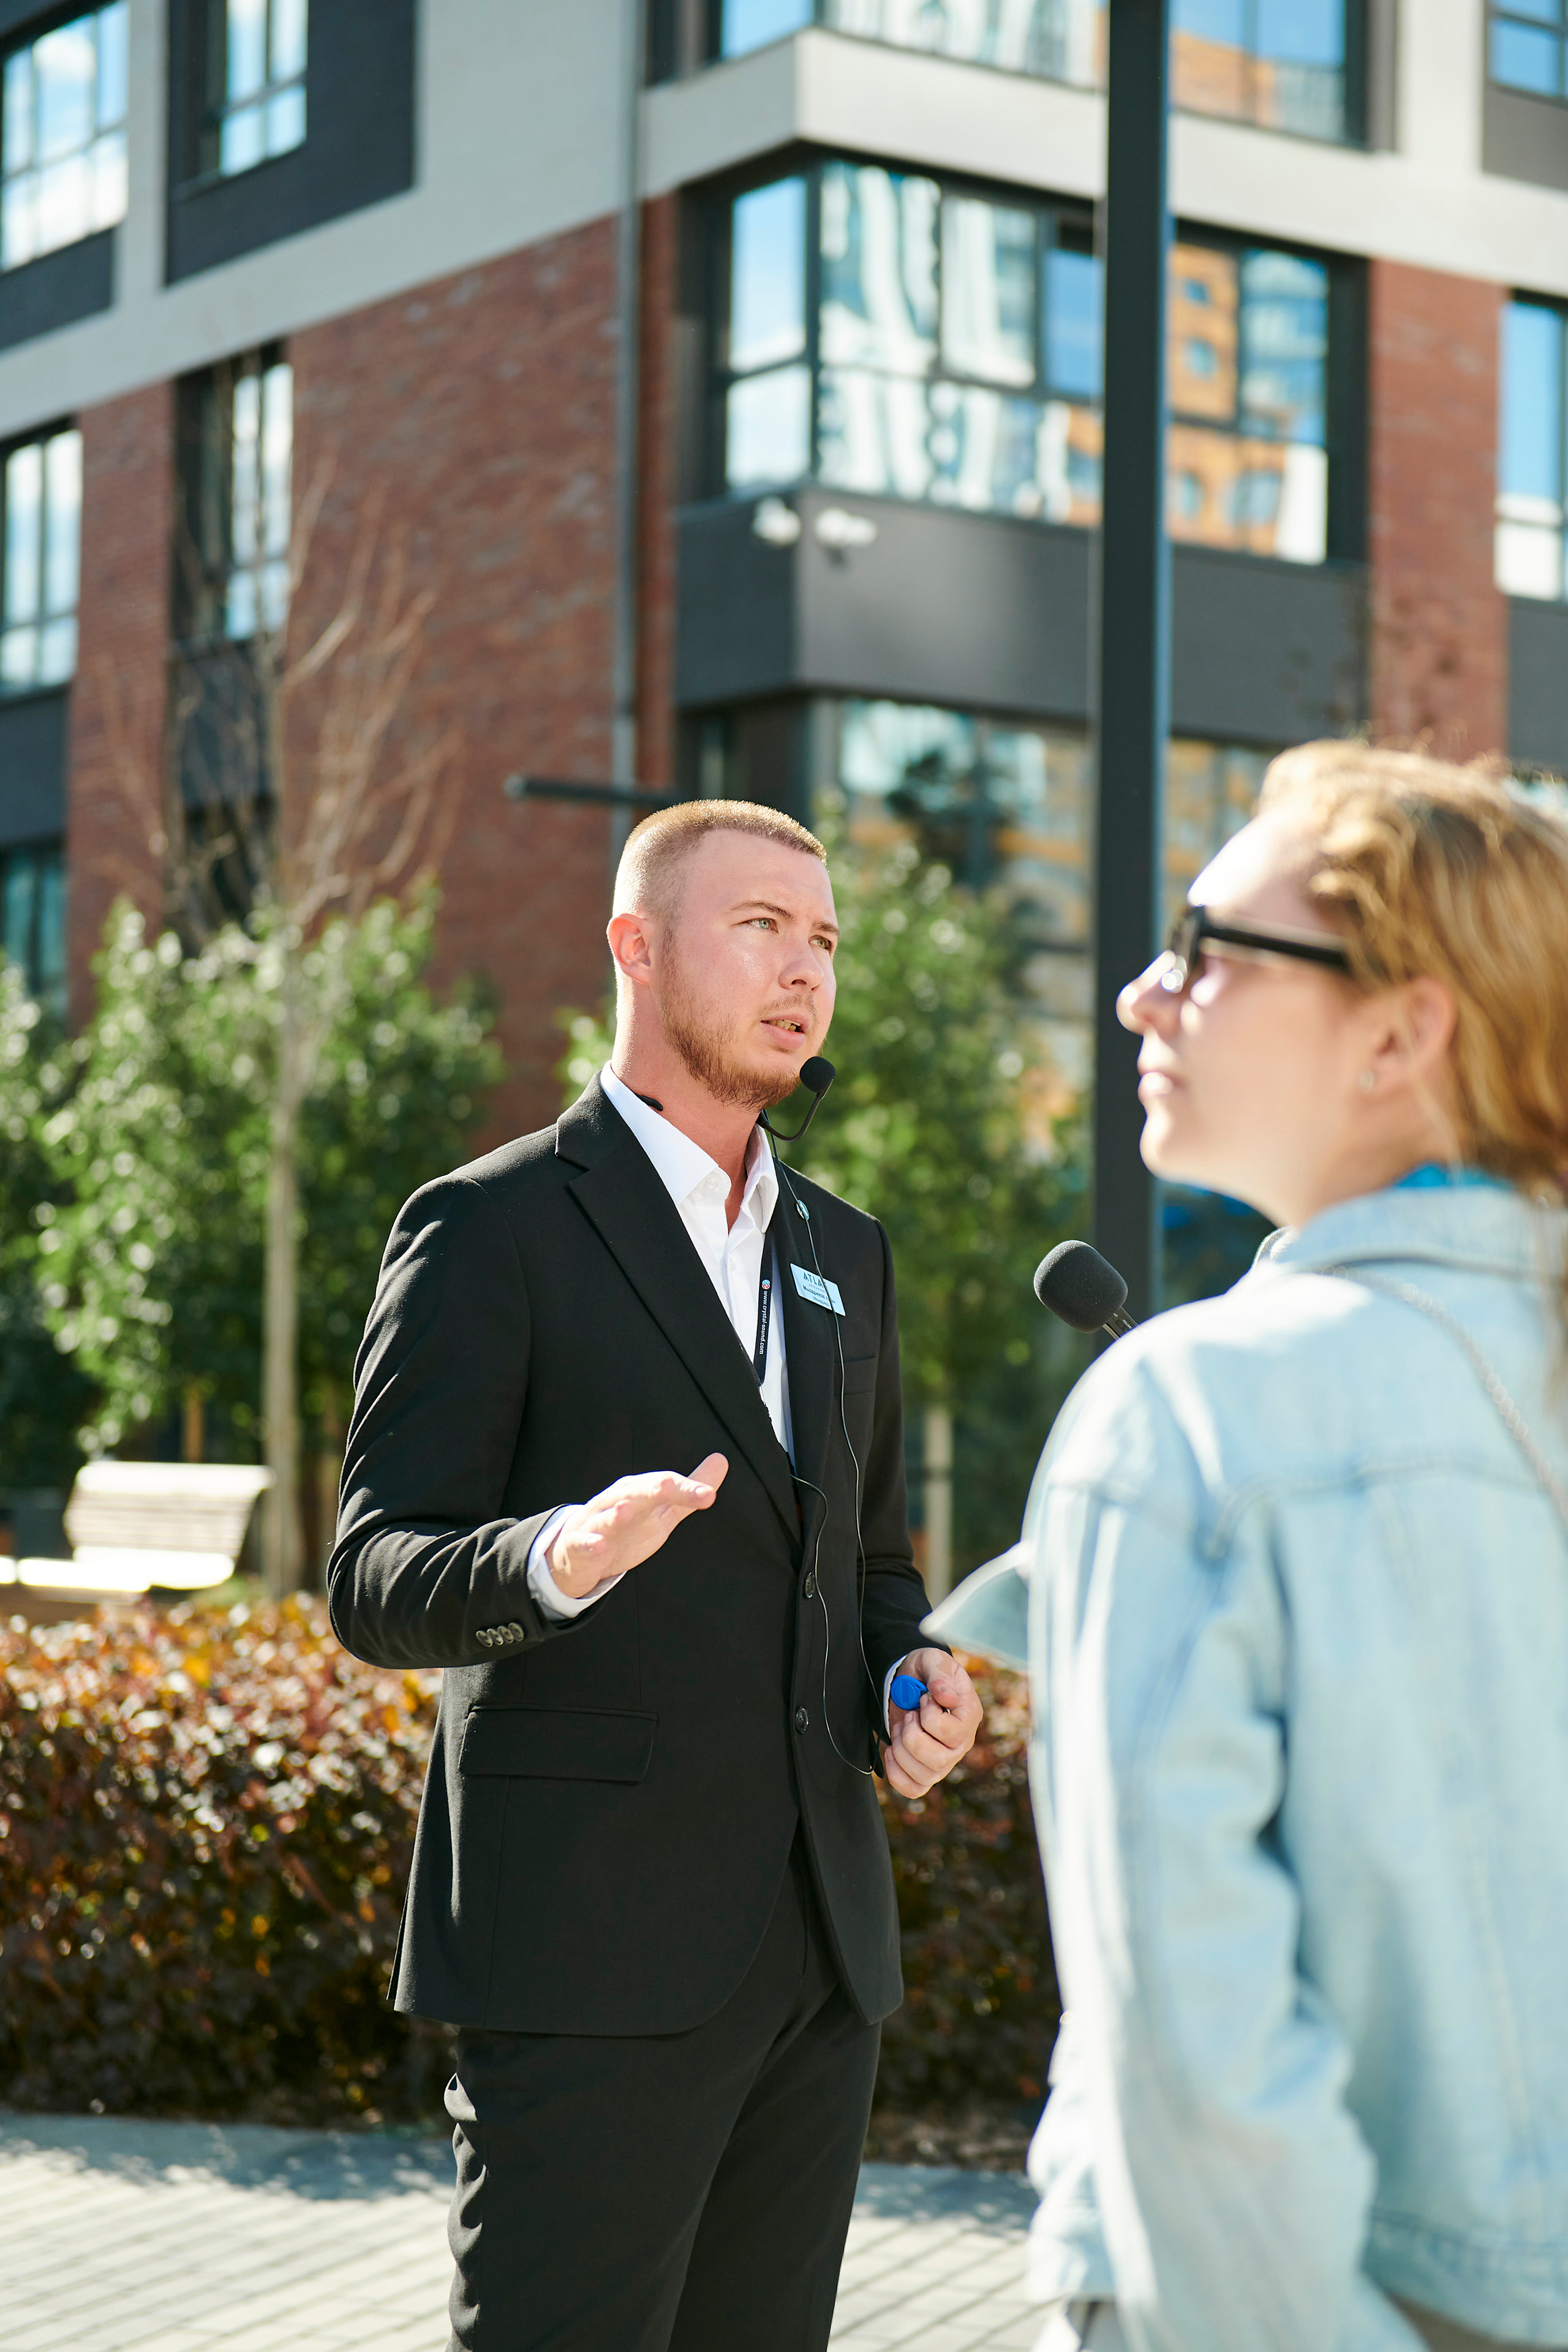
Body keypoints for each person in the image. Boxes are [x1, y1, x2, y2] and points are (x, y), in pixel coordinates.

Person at [328, 797, 982, 2352]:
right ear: (634, 945)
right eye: (759, 927)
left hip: (820, 1954)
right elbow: (372, 1573)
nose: (803, 969)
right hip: (589, 1956)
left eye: (822, 939)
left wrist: (914, 1678)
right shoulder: (487, 1229)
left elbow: (868, 1559)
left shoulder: (848, 1250)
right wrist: (551, 1560)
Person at [1023, 746, 1568, 2352]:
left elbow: (1195, 2065)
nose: (1143, 994)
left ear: (1405, 1030)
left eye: (1209, 949)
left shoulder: (1194, 1419)